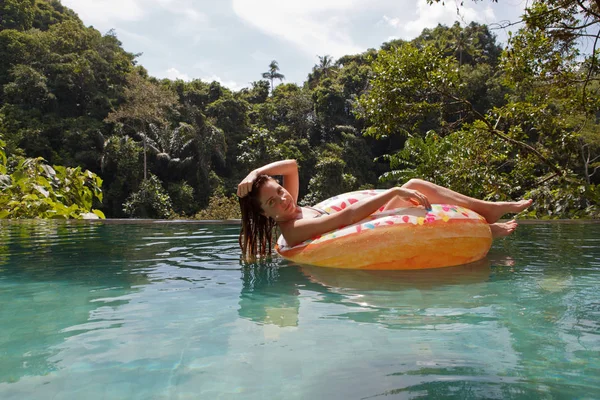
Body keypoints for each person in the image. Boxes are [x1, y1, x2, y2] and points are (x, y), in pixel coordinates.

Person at [237, 159, 533, 259]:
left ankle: (490, 213)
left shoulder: (293, 206)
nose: (283, 199)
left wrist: (254, 174)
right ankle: (489, 220)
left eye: (279, 191)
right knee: (413, 185)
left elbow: (290, 165)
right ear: (265, 214)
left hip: (367, 224)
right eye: (272, 202)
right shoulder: (293, 229)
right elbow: (349, 216)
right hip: (365, 234)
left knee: (417, 184)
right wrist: (393, 191)